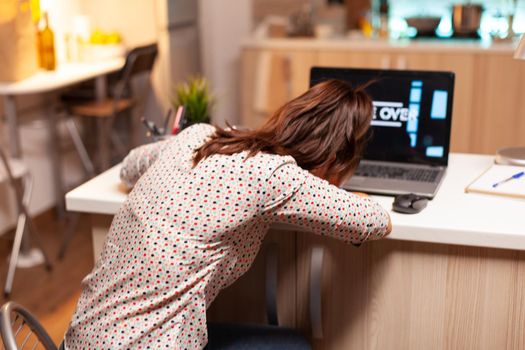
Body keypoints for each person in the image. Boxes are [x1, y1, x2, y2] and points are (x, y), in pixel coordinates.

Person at [63, 79, 392, 349]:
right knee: (294, 346)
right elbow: (376, 221)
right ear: (333, 157)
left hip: (77, 339)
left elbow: (130, 165)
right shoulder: (273, 175)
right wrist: (345, 192)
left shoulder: (201, 136)